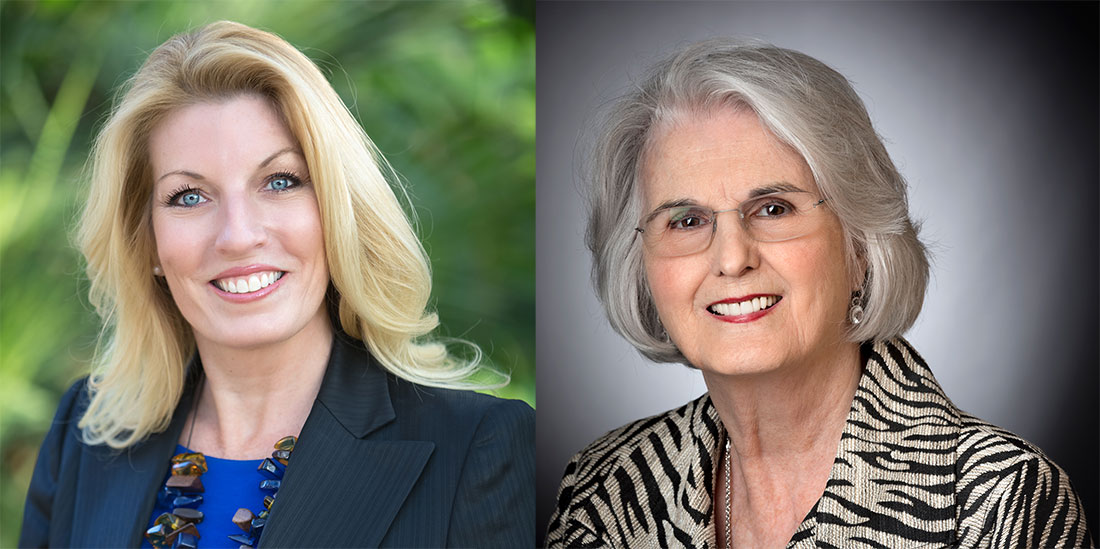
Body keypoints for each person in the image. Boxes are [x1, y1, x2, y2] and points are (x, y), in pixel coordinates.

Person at [545, 39, 1091, 548]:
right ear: (640, 262)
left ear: (859, 245)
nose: (732, 259)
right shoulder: (602, 493)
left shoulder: (999, 502)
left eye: (774, 209)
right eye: (687, 221)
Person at [19, 21, 533, 548]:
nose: (238, 236)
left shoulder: (477, 447)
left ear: (336, 209)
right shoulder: (84, 434)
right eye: (189, 196)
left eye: (280, 182)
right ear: (146, 238)